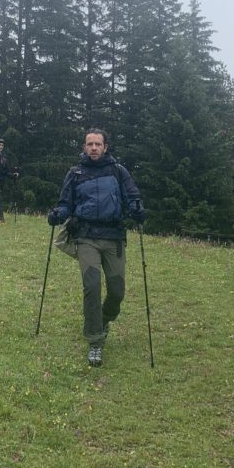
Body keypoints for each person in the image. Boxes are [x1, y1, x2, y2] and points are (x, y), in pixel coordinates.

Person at [47, 128, 144, 368]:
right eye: (89, 144)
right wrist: (58, 214)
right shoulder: (75, 173)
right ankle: (95, 342)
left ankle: (102, 320)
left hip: (113, 237)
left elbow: (132, 196)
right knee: (91, 286)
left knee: (117, 291)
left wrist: (137, 209)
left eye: (97, 144)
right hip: (86, 236)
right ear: (84, 147)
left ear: (105, 147)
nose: (93, 148)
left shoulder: (118, 172)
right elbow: (65, 203)